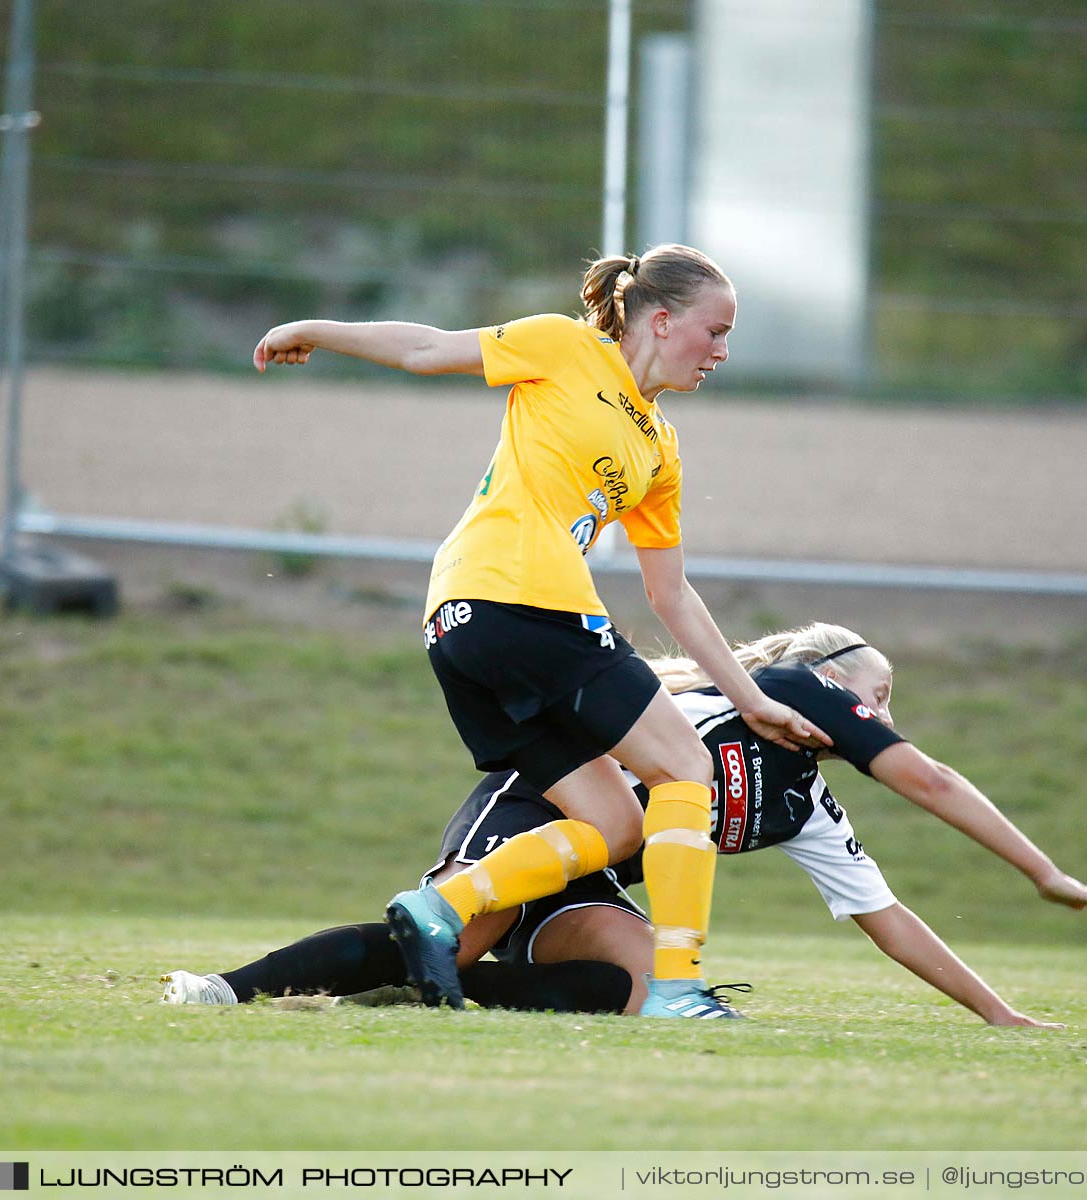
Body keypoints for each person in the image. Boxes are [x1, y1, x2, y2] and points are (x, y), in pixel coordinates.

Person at [250, 245, 830, 1019]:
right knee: (688, 769)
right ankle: (680, 990)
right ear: (661, 320)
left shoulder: (660, 448)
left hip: (461, 624)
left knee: (615, 824)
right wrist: (318, 328)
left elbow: (672, 594)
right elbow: (428, 347)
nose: (724, 351)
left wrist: (748, 697)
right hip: (524, 601)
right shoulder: (565, 346)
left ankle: (439, 909)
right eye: (716, 330)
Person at [161, 623, 1087, 1023]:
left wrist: (999, 1014)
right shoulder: (781, 691)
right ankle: (218, 990)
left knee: (637, 991)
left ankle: (440, 1001)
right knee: (440, 944)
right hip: (542, 811)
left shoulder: (801, 800)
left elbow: (889, 919)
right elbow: (925, 778)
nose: (884, 712)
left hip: (593, 870)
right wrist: (1042, 872)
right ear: (831, 682)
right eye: (877, 694)